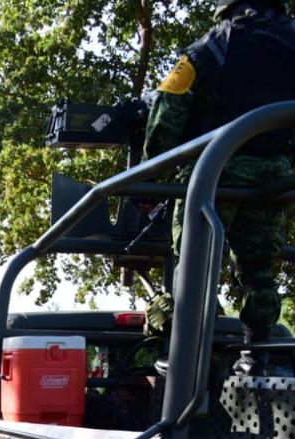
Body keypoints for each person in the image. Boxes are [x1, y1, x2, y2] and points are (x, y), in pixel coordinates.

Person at [142, 0, 295, 374]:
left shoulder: (210, 46)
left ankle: (189, 361)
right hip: (275, 175)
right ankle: (255, 356)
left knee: (196, 263)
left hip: (216, 170)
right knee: (259, 269)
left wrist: (150, 174)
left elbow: (168, 108)